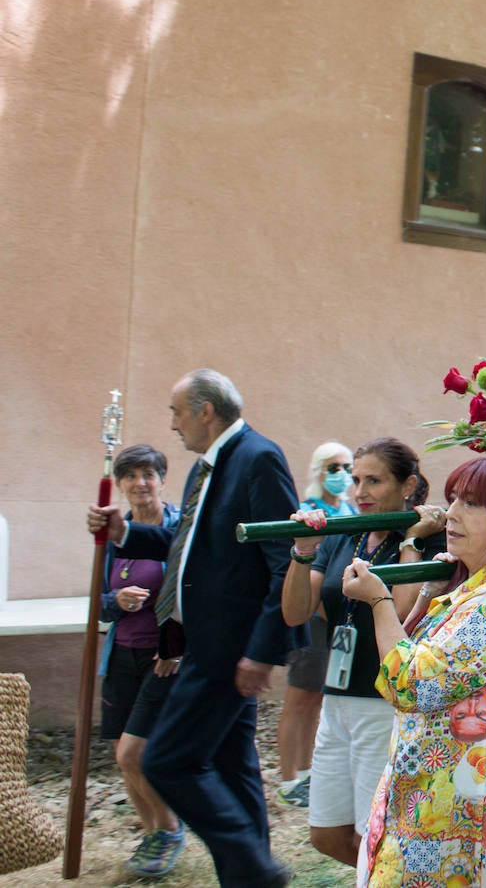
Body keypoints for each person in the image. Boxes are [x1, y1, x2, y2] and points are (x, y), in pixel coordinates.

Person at [88, 369, 302, 886]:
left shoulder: (258, 458)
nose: (173, 422)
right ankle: (248, 877)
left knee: (164, 759)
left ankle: (253, 867)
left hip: (227, 649)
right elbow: (188, 548)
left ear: (206, 411)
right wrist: (126, 533)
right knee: (234, 768)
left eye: (176, 411)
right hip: (205, 642)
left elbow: (283, 560)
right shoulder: (205, 467)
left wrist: (261, 651)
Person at [342, 457, 486, 887]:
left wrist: (380, 602)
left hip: (465, 808)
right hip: (435, 793)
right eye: (453, 499)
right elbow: (418, 652)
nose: (452, 513)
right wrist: (426, 597)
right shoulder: (477, 589)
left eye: (471, 504)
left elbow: (412, 682)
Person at [281, 438, 447, 865]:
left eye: (373, 480)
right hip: (336, 701)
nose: (359, 491)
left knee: (373, 839)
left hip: (384, 704)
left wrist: (411, 538)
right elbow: (296, 612)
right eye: (356, 480)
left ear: (408, 484)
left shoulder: (430, 536)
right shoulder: (345, 533)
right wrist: (302, 552)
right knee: (326, 833)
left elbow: (405, 611)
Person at [97, 445, 185, 877]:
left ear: (162, 479)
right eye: (129, 476)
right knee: (122, 754)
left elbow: (193, 592)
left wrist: (174, 641)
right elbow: (98, 604)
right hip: (120, 657)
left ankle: (168, 830)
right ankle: (154, 836)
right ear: (121, 484)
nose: (139, 483)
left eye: (148, 474)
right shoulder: (115, 534)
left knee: (137, 753)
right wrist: (118, 600)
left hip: (163, 659)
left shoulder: (178, 528)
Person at [278, 439, 358, 809]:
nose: (341, 475)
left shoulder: (351, 509)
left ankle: (308, 772)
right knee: (298, 699)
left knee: (317, 700)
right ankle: (289, 777)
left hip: (338, 620)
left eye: (347, 468)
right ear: (318, 471)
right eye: (333, 468)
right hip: (313, 619)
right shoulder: (310, 511)